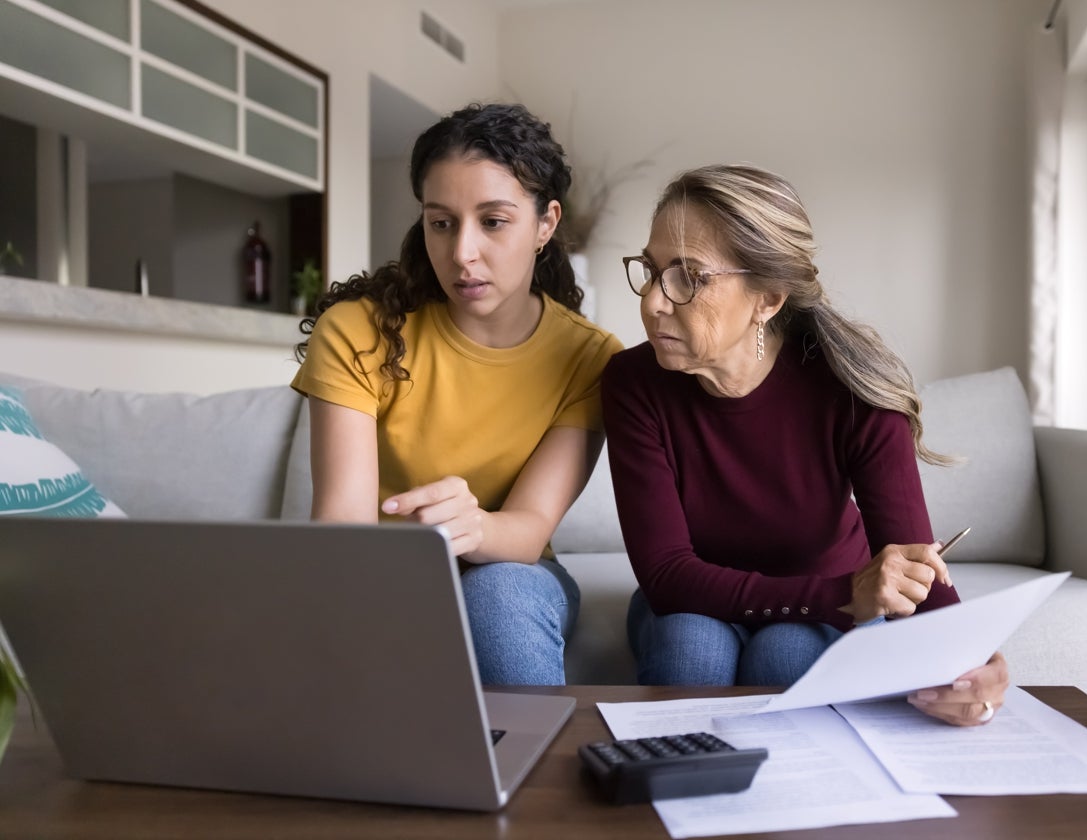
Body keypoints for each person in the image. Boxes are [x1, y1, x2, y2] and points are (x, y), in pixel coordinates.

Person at [601, 164, 1007, 725]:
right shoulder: (633, 382)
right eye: (650, 270)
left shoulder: (855, 390)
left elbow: (911, 566)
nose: (652, 301)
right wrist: (843, 594)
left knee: (785, 651)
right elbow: (668, 574)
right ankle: (661, 800)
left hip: (821, 610)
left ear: (767, 298)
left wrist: (970, 666)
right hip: (699, 599)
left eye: (688, 277)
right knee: (692, 646)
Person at [292, 103, 622, 686]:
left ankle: (539, 772)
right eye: (441, 222)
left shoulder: (590, 357)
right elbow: (342, 527)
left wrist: (469, 526)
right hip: (378, 573)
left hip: (510, 571)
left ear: (546, 224)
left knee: (497, 594)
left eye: (493, 221)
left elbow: (527, 528)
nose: (462, 253)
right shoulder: (357, 331)